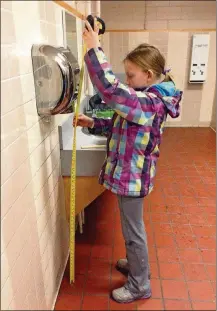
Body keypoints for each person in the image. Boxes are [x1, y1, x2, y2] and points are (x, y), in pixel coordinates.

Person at [73, 18, 183, 303]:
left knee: (134, 233)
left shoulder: (150, 104)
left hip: (133, 179)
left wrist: (94, 49)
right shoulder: (147, 97)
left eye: (131, 76)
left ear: (148, 75)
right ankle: (136, 267)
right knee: (130, 228)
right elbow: (120, 124)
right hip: (131, 177)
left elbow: (112, 91)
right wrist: (92, 121)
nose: (127, 81)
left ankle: (139, 285)